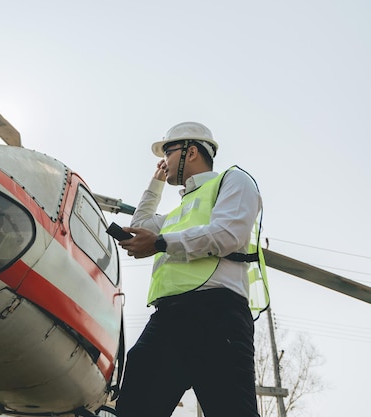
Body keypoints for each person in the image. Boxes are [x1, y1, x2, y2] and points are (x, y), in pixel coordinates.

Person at [115, 121, 268, 417]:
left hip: (218, 316)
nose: (163, 161)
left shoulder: (233, 181)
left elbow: (227, 235)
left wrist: (160, 244)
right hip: (168, 318)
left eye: (167, 152)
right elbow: (141, 225)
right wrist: (156, 181)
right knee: (134, 406)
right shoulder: (175, 215)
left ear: (192, 151)